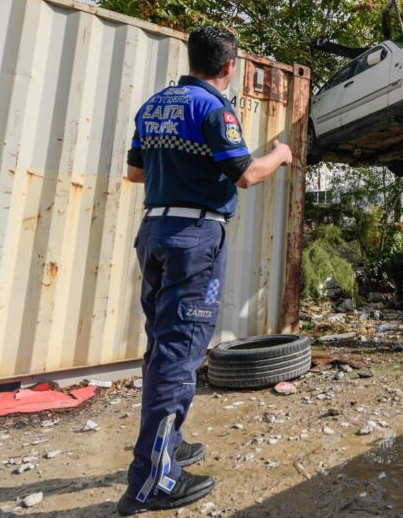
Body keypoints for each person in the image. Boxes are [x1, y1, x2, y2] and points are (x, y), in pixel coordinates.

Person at [118, 26, 292, 515]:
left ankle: (169, 448)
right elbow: (247, 174)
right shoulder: (214, 109)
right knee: (179, 353)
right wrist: (280, 153)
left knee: (163, 345)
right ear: (230, 65)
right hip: (194, 240)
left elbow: (134, 173)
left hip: (153, 233)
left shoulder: (154, 106)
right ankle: (152, 482)